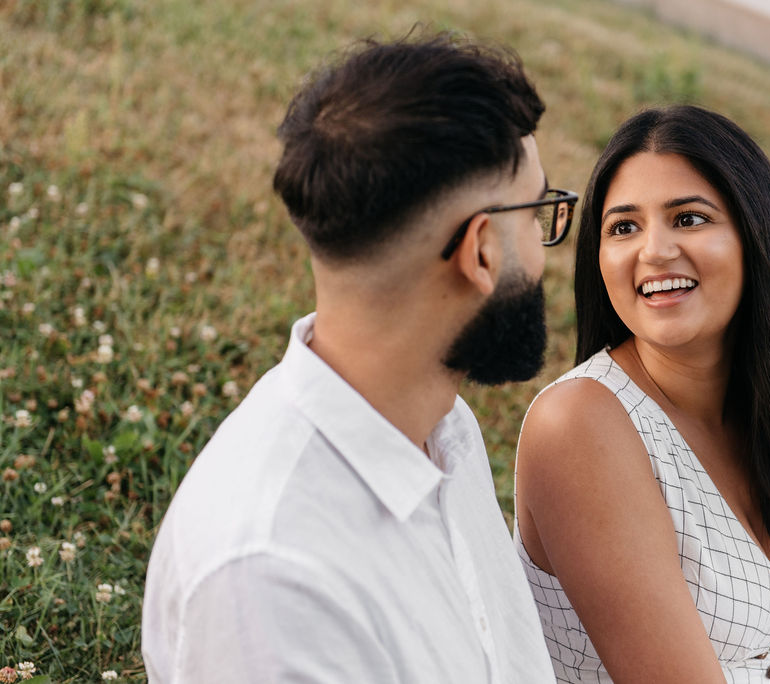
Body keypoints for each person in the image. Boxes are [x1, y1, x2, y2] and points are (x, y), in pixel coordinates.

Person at [142, 33, 578, 683]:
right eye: (539, 210)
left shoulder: (437, 427)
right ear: (482, 251)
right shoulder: (273, 578)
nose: (546, 251)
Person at [513, 105, 770, 683]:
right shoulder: (581, 424)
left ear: (758, 236)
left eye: (688, 218)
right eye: (624, 227)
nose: (653, 251)